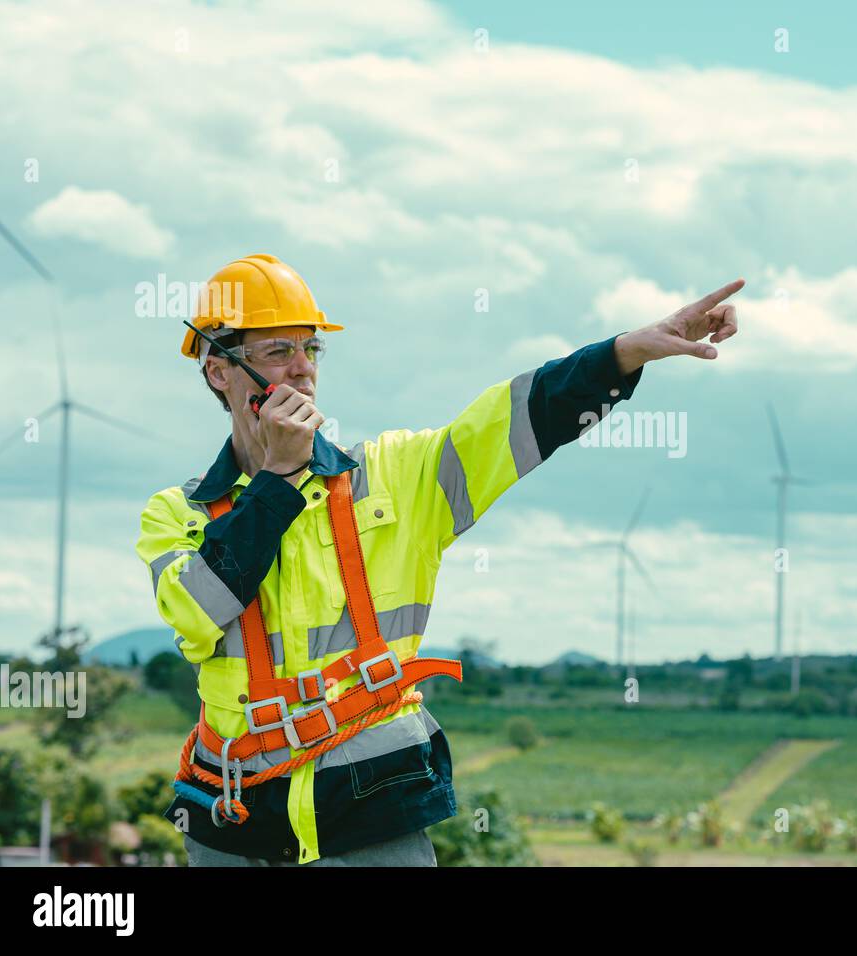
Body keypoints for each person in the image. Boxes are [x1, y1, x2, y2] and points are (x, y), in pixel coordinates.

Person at [136, 253, 742, 865]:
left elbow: (512, 421)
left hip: (372, 804)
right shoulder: (176, 513)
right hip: (233, 819)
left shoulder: (397, 475)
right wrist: (280, 480)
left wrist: (623, 354)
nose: (303, 370)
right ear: (220, 371)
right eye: (277, 352)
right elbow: (197, 612)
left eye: (311, 349)